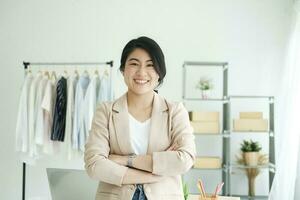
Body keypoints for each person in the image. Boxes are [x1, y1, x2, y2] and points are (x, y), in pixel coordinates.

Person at [84, 36, 196, 200]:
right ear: (123, 70)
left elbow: (185, 160)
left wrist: (125, 160)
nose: (141, 72)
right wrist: (153, 174)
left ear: (159, 72)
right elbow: (94, 165)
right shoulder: (106, 112)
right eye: (134, 64)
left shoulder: (175, 112)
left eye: (150, 65)